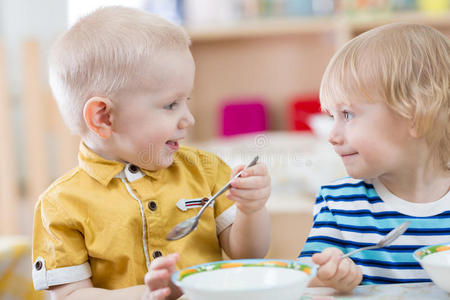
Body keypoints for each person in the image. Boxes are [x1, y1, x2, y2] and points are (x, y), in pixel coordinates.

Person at [32, 6, 271, 300]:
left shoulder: (206, 170)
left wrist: (251, 209)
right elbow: (70, 296)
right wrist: (144, 295)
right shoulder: (60, 206)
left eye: (187, 100)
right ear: (104, 117)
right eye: (171, 105)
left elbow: (248, 255)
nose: (189, 119)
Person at [297, 23, 450, 292]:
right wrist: (328, 275)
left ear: (414, 115)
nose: (332, 135)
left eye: (347, 115)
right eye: (332, 116)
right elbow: (306, 276)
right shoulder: (338, 202)